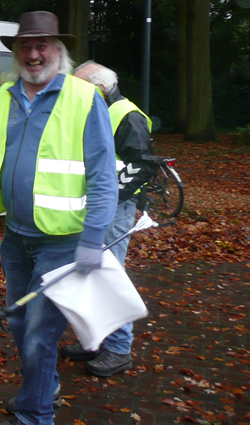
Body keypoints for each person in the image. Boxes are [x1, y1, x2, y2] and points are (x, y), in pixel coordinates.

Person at [0, 11, 118, 425]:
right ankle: (45, 386)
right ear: (17, 53)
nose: (34, 53)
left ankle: (34, 415)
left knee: (41, 335)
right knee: (22, 325)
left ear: (58, 51)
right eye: (26, 46)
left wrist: (92, 238)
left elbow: (103, 178)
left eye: (43, 45)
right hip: (16, 239)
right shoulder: (4, 97)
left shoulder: (84, 100)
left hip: (63, 241)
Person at [58, 60, 154, 377]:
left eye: (79, 85)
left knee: (109, 276)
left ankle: (118, 349)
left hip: (114, 209)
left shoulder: (127, 115)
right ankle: (95, 341)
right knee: (91, 274)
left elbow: (142, 164)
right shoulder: (95, 109)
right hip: (97, 206)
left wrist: (111, 197)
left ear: (98, 87)